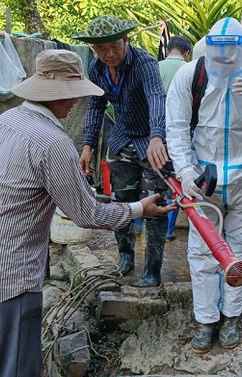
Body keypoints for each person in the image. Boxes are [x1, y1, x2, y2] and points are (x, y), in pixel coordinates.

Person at [0, 49, 174, 377]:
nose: (76, 104)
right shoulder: (53, 143)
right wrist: (139, 208)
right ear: (57, 94)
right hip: (10, 280)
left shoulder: (5, 122)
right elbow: (87, 214)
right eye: (73, 95)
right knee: (16, 371)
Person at [165, 18, 242, 354]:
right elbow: (176, 128)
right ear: (207, 52)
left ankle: (231, 315)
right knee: (202, 252)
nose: (222, 61)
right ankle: (205, 320)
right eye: (215, 55)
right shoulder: (190, 75)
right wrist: (186, 172)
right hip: (204, 179)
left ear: (240, 51)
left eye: (229, 55)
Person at [74, 15, 170, 288]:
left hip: (152, 143)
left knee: (156, 206)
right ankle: (125, 258)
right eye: (102, 49)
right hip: (122, 141)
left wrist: (157, 136)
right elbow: (95, 105)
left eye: (114, 46)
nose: (110, 54)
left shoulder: (145, 63)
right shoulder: (96, 69)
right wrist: (88, 146)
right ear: (94, 50)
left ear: (126, 40)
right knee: (122, 205)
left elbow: (156, 97)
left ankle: (152, 271)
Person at [157, 35, 192, 241]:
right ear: (187, 53)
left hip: (154, 135)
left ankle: (138, 226)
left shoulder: (156, 67)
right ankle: (169, 230)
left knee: (151, 183)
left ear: (168, 50)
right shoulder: (191, 70)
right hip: (179, 136)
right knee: (176, 184)